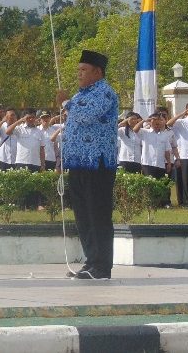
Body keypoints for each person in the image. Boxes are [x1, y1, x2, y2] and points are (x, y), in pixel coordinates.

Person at [56, 49, 119, 280]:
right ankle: (91, 261)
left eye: (84, 70)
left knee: (98, 214)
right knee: (83, 215)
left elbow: (86, 116)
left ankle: (102, 266)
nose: (79, 74)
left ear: (98, 72)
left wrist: (65, 103)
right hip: (78, 163)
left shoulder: (105, 93)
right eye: (78, 70)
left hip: (97, 164)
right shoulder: (80, 94)